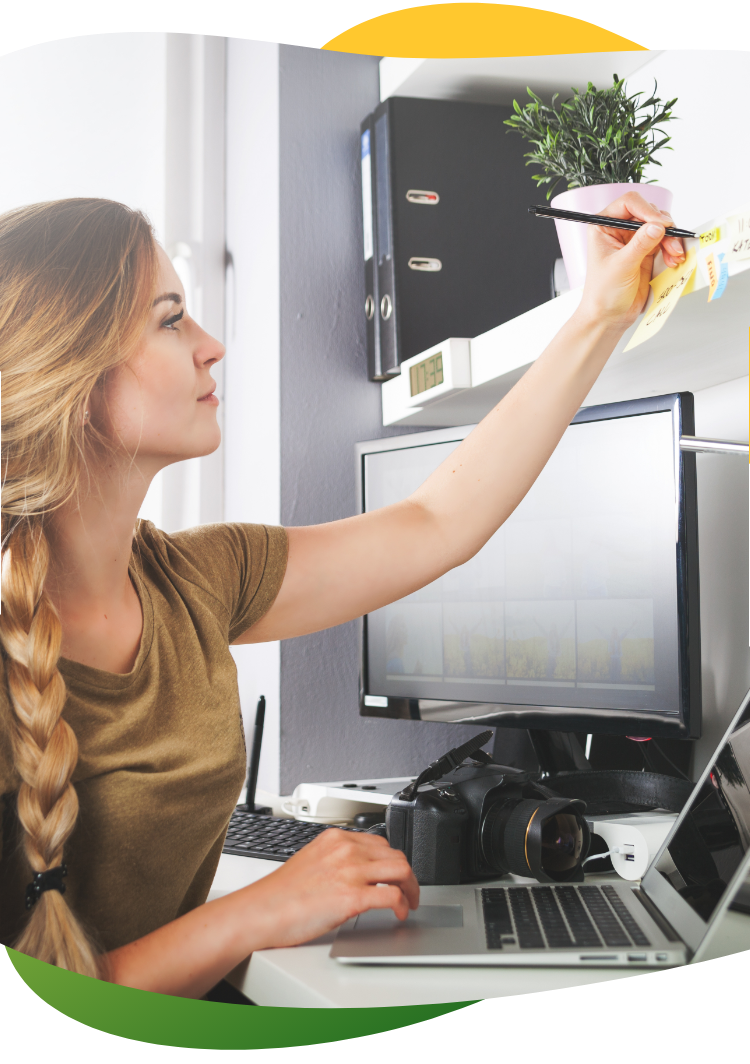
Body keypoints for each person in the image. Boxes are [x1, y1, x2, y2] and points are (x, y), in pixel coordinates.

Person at [0, 192, 686, 997]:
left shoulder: (196, 582)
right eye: (171, 319)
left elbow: (438, 522)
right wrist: (258, 912)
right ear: (71, 373)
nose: (212, 346)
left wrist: (597, 315)